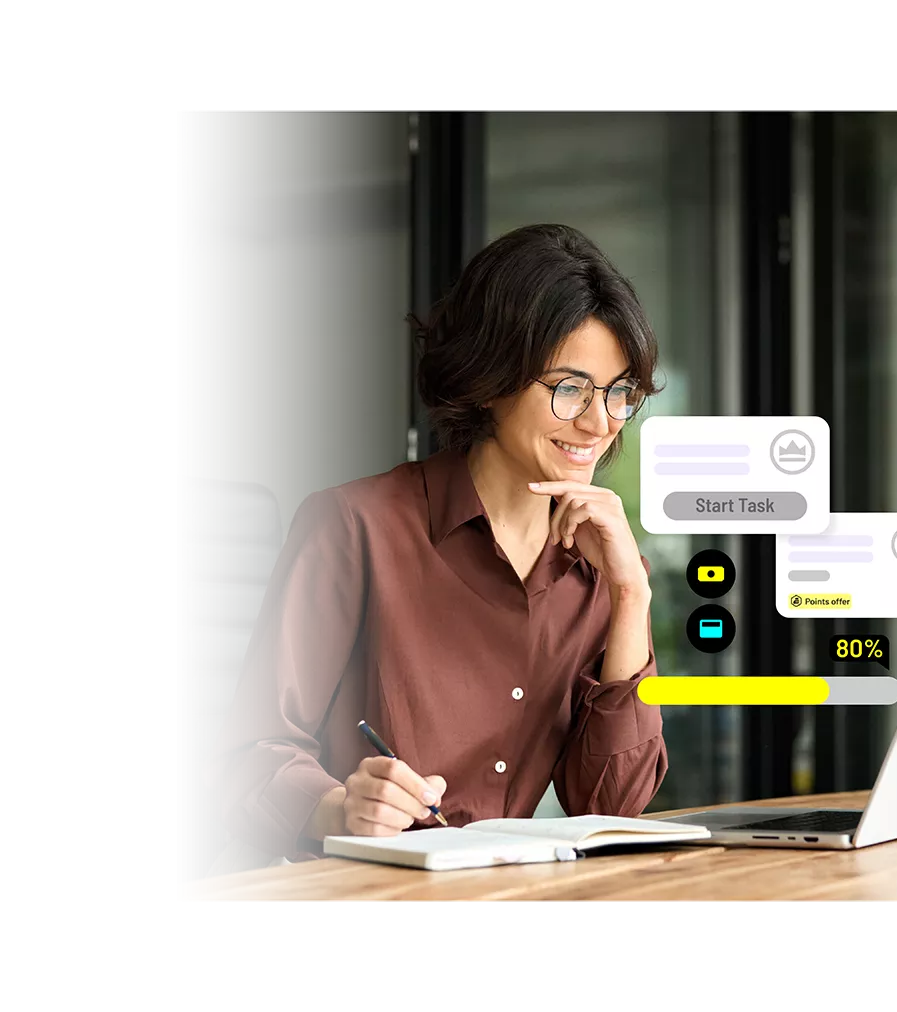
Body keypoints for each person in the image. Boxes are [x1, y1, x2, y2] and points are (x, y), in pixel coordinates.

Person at [202, 223, 668, 873]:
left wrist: (631, 594)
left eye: (620, 393)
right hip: (319, 882)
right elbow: (246, 761)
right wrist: (342, 808)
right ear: (492, 377)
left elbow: (612, 805)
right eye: (570, 389)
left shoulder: (600, 569)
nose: (599, 423)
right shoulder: (354, 527)